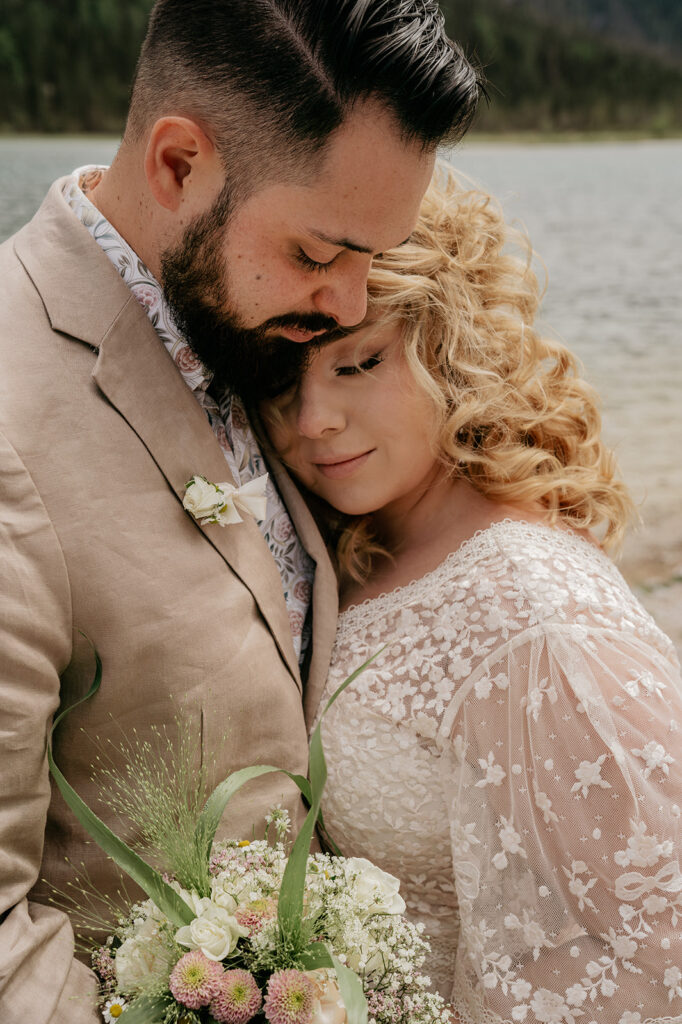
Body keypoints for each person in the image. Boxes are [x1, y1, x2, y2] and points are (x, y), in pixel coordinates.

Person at [0, 3, 481, 1020]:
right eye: (319, 253)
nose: (352, 304)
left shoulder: (264, 340)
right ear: (177, 163)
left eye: (371, 259)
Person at [261, 166, 682, 1023]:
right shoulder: (364, 542)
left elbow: (637, 957)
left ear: (447, 350)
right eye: (281, 379)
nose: (312, 420)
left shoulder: (538, 616)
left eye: (360, 363)